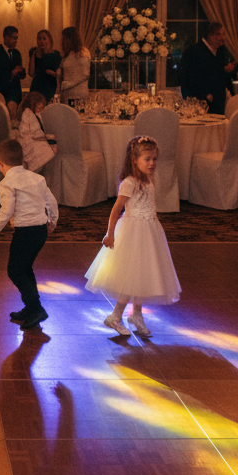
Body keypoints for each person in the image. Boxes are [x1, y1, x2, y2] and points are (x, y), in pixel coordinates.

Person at [85, 135, 181, 337]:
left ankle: (136, 314)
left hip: (150, 231)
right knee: (131, 277)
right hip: (133, 233)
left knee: (143, 274)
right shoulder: (129, 183)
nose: (152, 163)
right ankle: (115, 316)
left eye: (154, 159)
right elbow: (116, 209)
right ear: (134, 160)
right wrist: (110, 234)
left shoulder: (148, 179)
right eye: (147, 159)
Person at [0, 138, 59, 330]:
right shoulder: (37, 178)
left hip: (25, 232)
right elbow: (52, 201)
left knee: (14, 271)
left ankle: (36, 308)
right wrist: (52, 220)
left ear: (0, 163)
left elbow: (6, 212)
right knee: (25, 268)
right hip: (40, 231)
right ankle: (31, 308)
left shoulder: (6, 183)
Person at [178, 22, 238, 115]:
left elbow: (225, 72)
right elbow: (188, 78)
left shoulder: (222, 51)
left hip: (219, 101)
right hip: (200, 101)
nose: (222, 38)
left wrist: (228, 70)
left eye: (223, 34)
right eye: (219, 34)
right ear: (210, 35)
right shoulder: (193, 52)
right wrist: (204, 94)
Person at [0, 25, 26, 116]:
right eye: (14, 38)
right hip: (0, 92)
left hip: (15, 93)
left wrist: (20, 71)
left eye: (17, 38)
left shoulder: (16, 53)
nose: (16, 41)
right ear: (6, 37)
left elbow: (22, 75)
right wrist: (11, 73)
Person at [17, 91, 55, 173]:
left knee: (49, 147)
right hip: (28, 141)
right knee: (42, 151)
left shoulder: (36, 115)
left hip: (35, 139)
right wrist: (42, 136)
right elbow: (28, 131)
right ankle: (37, 170)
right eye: (39, 108)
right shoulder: (27, 114)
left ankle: (44, 171)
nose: (40, 111)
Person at [58, 26, 91, 107]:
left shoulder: (82, 52)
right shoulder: (68, 54)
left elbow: (85, 74)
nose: (62, 41)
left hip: (78, 94)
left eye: (64, 38)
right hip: (66, 94)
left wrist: (67, 84)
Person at [28, 29, 62, 103]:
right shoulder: (35, 54)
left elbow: (61, 73)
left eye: (44, 38)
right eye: (39, 38)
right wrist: (33, 55)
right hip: (37, 87)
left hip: (51, 87)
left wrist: (54, 73)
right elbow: (31, 73)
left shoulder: (56, 55)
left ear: (49, 40)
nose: (42, 41)